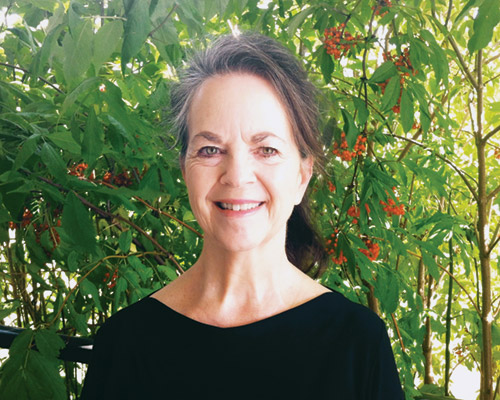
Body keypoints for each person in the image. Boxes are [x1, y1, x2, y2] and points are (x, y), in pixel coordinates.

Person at [81, 32, 404, 399]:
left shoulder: (357, 344)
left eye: (266, 149)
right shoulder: (125, 344)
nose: (237, 176)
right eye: (210, 149)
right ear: (185, 172)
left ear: (302, 176)